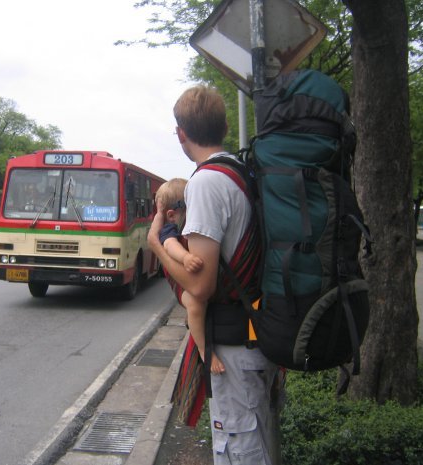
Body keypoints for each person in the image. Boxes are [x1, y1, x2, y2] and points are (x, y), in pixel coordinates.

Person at [148, 85, 281, 464]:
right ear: (224, 127)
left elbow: (201, 286)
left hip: (235, 348)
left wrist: (156, 243)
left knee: (240, 450)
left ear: (181, 134)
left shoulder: (206, 183)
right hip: (256, 333)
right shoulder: (242, 171)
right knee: (258, 440)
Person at [156, 178, 226, 375]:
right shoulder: (169, 228)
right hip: (184, 283)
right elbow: (169, 245)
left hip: (191, 280)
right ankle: (204, 350)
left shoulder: (184, 222)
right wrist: (185, 257)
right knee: (195, 304)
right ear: (172, 214)